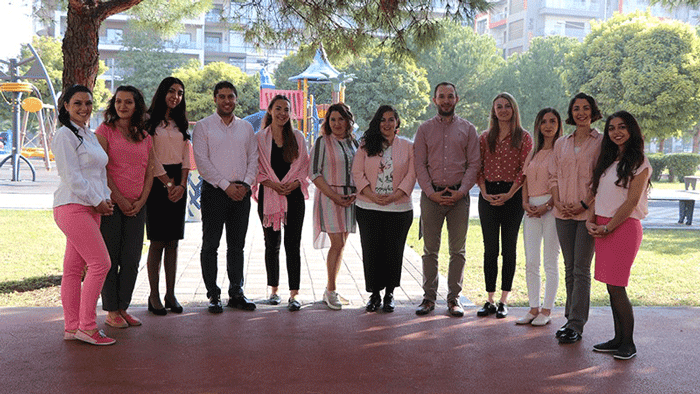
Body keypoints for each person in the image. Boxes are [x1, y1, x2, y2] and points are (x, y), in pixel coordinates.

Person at [53, 84, 115, 345]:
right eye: (77, 103)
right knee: (101, 264)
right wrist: (98, 200)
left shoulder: (88, 134)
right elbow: (72, 177)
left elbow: (99, 172)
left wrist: (106, 198)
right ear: (66, 106)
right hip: (72, 206)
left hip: (92, 208)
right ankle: (88, 327)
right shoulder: (64, 135)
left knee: (73, 269)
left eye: (88, 103)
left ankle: (72, 327)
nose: (83, 108)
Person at [587, 111, 651, 360]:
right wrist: (589, 221)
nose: (616, 132)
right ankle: (617, 339)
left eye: (622, 127)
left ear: (631, 130)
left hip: (623, 228)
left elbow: (631, 202)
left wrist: (608, 227)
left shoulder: (640, 162)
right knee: (610, 287)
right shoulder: (608, 160)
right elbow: (597, 194)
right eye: (612, 128)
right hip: (602, 227)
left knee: (617, 285)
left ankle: (629, 343)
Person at [414, 82, 480, 317]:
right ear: (434, 100)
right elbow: (419, 164)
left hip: (458, 198)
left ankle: (454, 299)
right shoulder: (424, 130)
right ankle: (429, 298)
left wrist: (461, 191)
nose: (446, 100)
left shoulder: (468, 129)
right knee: (430, 250)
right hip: (431, 197)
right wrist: (431, 192)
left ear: (457, 99)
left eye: (450, 96)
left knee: (457, 251)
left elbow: (474, 163)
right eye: (441, 96)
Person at [192, 81, 258, 314]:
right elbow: (202, 163)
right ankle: (213, 294)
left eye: (230, 96)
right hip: (214, 192)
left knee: (237, 246)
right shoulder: (203, 127)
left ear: (236, 99)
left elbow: (253, 158)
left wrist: (246, 184)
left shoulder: (246, 128)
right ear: (215, 99)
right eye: (222, 96)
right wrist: (225, 186)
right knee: (211, 244)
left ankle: (236, 292)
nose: (227, 101)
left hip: (242, 192)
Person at [96, 85, 154, 328]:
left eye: (128, 102)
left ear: (136, 105)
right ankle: (111, 311)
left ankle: (123, 308)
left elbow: (149, 171)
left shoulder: (145, 136)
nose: (122, 106)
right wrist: (119, 199)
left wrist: (141, 201)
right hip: (112, 205)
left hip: (137, 207)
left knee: (131, 259)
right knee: (111, 258)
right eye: (118, 101)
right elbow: (101, 169)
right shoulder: (105, 131)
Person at [549, 92, 603, 344]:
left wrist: (584, 204)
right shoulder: (561, 143)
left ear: (593, 112)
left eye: (585, 108)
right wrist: (558, 201)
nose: (580, 112)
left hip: (587, 215)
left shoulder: (601, 142)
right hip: (562, 213)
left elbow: (601, 178)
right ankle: (569, 318)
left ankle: (577, 324)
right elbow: (553, 176)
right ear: (570, 113)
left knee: (581, 269)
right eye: (576, 109)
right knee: (569, 267)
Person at [352, 105, 416, 313]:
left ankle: (389, 294)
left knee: (393, 252)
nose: (386, 124)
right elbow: (357, 173)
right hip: (368, 207)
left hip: (398, 209)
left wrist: (394, 196)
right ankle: (375, 294)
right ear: (377, 123)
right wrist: (372, 195)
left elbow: (412, 175)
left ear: (397, 122)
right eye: (382, 119)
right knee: (371, 252)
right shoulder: (365, 145)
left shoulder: (407, 146)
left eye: (391, 119)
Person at [476, 92, 532, 319]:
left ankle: (503, 300)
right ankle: (489, 299)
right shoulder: (484, 137)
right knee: (490, 249)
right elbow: (477, 167)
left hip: (513, 196)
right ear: (494, 111)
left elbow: (524, 170)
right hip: (487, 195)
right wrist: (484, 192)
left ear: (514, 109)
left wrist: (509, 194)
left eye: (507, 106)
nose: (503, 110)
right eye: (498, 106)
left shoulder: (524, 137)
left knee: (509, 248)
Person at [253, 95, 309, 312]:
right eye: (278, 109)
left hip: (293, 195)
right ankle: (274, 291)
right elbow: (256, 168)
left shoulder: (298, 137)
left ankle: (294, 294)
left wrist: (293, 184)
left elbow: (304, 166)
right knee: (271, 244)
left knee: (293, 245)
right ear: (269, 110)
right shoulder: (260, 138)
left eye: (286, 109)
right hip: (269, 195)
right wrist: (274, 185)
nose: (283, 113)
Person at [144, 77, 191, 315]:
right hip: (156, 182)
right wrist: (169, 183)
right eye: (172, 91)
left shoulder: (181, 123)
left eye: (180, 93)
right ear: (162, 92)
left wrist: (181, 185)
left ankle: (170, 294)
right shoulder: (149, 122)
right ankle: (153, 295)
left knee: (173, 241)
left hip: (178, 183)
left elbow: (186, 158)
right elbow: (150, 156)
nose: (176, 96)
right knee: (158, 241)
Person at [309, 102, 358, 310]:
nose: (337, 123)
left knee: (341, 245)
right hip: (329, 197)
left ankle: (330, 288)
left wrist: (355, 193)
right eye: (332, 119)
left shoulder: (354, 143)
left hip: (350, 198)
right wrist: (334, 196)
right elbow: (314, 173)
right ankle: (331, 290)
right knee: (336, 243)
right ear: (327, 122)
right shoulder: (322, 142)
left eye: (341, 119)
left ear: (348, 121)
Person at [516, 108, 562, 326]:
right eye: (544, 121)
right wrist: (525, 203)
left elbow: (560, 183)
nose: (548, 125)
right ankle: (533, 307)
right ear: (538, 125)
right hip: (531, 209)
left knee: (550, 261)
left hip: (551, 208)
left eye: (553, 121)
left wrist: (547, 205)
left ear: (559, 125)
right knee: (531, 261)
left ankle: (547, 309)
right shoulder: (533, 152)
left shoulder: (561, 151)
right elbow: (525, 180)